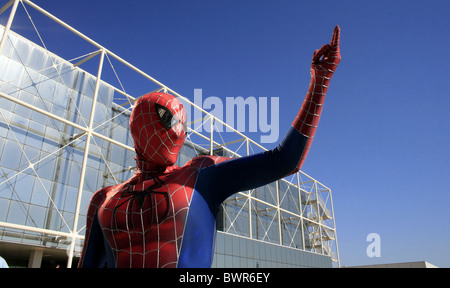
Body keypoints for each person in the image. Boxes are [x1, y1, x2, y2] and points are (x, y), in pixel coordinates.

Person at [78, 26, 341, 268]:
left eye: (182, 122)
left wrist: (320, 82)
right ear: (139, 125)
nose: (178, 131)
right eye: (167, 119)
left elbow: (285, 160)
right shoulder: (104, 199)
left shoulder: (200, 175)